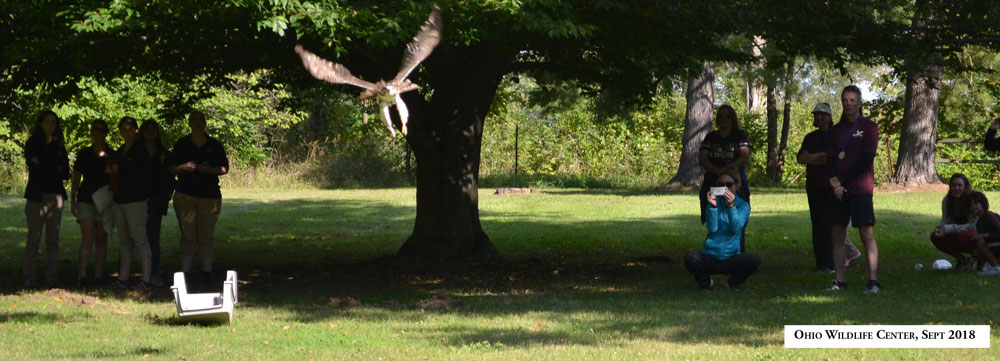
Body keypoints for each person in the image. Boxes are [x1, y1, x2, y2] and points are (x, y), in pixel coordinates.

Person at [825, 85, 881, 293]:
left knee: (866, 233)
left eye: (852, 100)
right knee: (837, 233)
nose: (848, 104)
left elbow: (866, 160)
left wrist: (841, 180)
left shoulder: (869, 127)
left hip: (860, 188)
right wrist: (833, 181)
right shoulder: (836, 130)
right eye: (845, 100)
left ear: (859, 103)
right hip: (838, 190)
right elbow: (830, 158)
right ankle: (840, 281)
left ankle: (873, 281)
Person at [167, 111, 230, 286]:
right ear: (189, 123)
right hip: (185, 195)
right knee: (188, 235)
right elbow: (170, 168)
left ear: (205, 123)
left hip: (209, 197)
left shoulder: (215, 145)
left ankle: (207, 274)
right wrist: (183, 167)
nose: (197, 123)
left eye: (201, 120)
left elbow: (225, 168)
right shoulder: (182, 144)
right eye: (194, 120)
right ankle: (185, 275)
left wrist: (208, 170)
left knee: (206, 235)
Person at [797, 103, 862, 274]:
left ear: (829, 117)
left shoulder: (836, 135)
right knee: (817, 225)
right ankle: (821, 263)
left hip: (831, 186)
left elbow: (832, 159)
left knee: (830, 225)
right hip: (813, 186)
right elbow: (801, 159)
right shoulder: (810, 137)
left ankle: (833, 263)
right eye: (816, 115)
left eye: (823, 115)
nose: (819, 118)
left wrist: (814, 157)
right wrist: (819, 155)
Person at [683, 169, 760, 291]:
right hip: (711, 255)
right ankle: (706, 284)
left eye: (728, 185)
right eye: (721, 185)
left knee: (753, 259)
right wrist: (713, 207)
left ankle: (733, 284)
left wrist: (731, 207)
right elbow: (712, 229)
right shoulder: (714, 202)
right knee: (690, 257)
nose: (725, 188)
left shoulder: (743, 206)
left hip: (731, 256)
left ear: (736, 186)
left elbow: (735, 228)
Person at [22, 110, 70, 288]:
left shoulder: (60, 146)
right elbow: (36, 168)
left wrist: (44, 164)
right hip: (36, 196)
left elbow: (65, 172)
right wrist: (51, 166)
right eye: (48, 121)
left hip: (55, 196)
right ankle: (29, 276)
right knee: (34, 237)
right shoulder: (32, 144)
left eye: (54, 122)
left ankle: (52, 277)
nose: (51, 125)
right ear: (40, 124)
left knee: (53, 239)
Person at [109, 116, 154, 290]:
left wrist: (121, 171)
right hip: (119, 200)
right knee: (124, 241)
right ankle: (123, 278)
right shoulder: (119, 151)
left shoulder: (141, 150)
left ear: (136, 130)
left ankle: (146, 279)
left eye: (130, 129)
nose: (127, 133)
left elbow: (143, 175)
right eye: (124, 130)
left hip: (136, 200)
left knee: (140, 239)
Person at [699, 105, 751, 251]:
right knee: (712, 213)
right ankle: (713, 249)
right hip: (713, 178)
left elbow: (745, 155)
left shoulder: (739, 135)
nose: (723, 119)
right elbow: (702, 158)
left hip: (734, 180)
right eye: (720, 116)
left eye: (726, 116)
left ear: (732, 118)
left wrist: (729, 169)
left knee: (737, 213)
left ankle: (738, 251)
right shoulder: (711, 137)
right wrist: (717, 170)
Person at [71, 119, 114, 287]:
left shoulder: (112, 154)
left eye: (102, 129)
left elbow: (117, 180)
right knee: (87, 238)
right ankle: (81, 275)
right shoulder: (84, 154)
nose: (98, 132)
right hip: (86, 200)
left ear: (106, 132)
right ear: (91, 132)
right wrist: (73, 201)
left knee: (101, 239)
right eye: (95, 129)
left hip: (105, 202)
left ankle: (98, 276)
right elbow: (76, 179)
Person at [140, 120, 175, 287]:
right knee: (133, 237)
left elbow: (170, 178)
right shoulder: (135, 151)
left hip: (156, 201)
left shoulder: (164, 154)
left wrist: (167, 195)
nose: (150, 131)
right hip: (136, 200)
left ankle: (154, 273)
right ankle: (127, 274)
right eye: (147, 128)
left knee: (153, 237)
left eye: (154, 128)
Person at [929, 173, 979, 271]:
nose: (956, 188)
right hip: (956, 233)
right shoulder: (947, 201)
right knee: (935, 236)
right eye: (953, 185)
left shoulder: (972, 201)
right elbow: (945, 220)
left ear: (965, 187)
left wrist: (949, 228)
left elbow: (974, 226)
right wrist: (941, 229)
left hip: (975, 234)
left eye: (959, 185)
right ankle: (961, 260)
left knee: (963, 237)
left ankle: (978, 260)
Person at [966, 192, 1000, 275]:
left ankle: (995, 268)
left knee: (980, 242)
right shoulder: (978, 223)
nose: (973, 207)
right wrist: (970, 262)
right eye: (971, 205)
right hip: (995, 245)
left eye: (976, 203)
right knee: (976, 252)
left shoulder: (989, 215)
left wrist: (984, 235)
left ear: (982, 204)